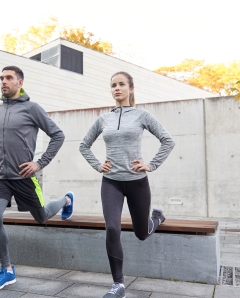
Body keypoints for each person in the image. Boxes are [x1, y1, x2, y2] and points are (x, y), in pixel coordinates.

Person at [79, 71, 175, 298]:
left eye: (121, 84)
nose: (117, 89)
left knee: (141, 233)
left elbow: (168, 141)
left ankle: (157, 218)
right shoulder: (104, 119)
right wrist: (97, 165)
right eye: (113, 85)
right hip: (111, 182)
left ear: (131, 89)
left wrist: (151, 165)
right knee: (112, 228)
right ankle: (118, 285)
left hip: (137, 183)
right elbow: (84, 145)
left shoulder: (142, 115)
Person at [0, 66, 74, 292]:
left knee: (42, 217)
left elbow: (58, 135)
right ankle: (7, 269)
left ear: (20, 83)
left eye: (9, 78)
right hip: (0, 178)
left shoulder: (32, 108)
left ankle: (66, 200)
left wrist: (39, 163)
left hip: (24, 176)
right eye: (1, 78)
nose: (3, 81)